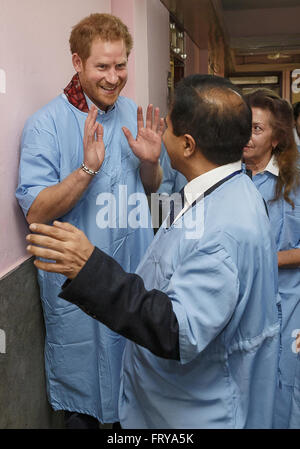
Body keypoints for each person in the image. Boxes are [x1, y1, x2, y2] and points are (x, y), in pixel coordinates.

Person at [26, 74, 281, 429]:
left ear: (188, 145)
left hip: (202, 414)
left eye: (168, 126)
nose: (161, 133)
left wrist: (90, 267)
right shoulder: (226, 190)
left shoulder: (224, 228)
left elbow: (177, 330)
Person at [16, 13, 164, 428]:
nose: (114, 77)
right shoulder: (46, 125)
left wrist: (151, 163)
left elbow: (151, 187)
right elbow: (36, 212)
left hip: (130, 278)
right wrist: (86, 169)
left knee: (135, 398)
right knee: (85, 401)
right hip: (77, 292)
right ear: (78, 62)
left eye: (120, 65)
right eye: (102, 66)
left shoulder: (132, 112)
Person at [243, 89, 300, 429]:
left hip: (288, 303)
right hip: (242, 305)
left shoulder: (294, 180)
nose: (246, 137)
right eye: (243, 127)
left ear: (277, 138)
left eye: (257, 129)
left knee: (283, 389)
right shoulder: (230, 175)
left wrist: (267, 260)